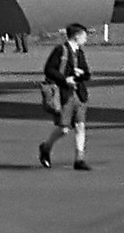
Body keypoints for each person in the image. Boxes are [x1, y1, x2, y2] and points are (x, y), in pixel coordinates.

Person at [38, 23, 93, 171]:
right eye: (84, 36)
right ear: (76, 36)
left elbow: (87, 73)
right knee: (63, 129)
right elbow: (49, 69)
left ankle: (79, 159)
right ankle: (46, 147)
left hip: (78, 93)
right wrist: (64, 79)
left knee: (80, 126)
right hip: (64, 93)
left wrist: (82, 73)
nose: (86, 39)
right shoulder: (60, 50)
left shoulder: (79, 52)